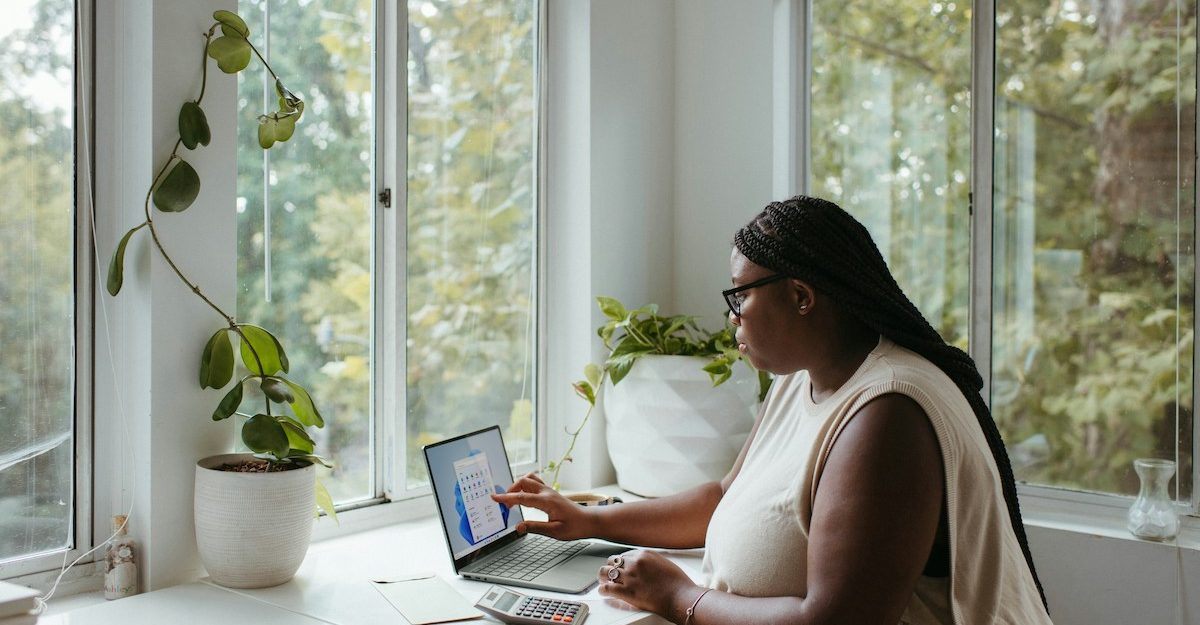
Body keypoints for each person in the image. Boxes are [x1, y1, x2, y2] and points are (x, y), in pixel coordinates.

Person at [493, 195, 1053, 625]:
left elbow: (834, 622)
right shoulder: (804, 377)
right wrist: (590, 519)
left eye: (741, 295)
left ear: (802, 297)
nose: (732, 315)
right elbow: (722, 497)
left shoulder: (887, 415)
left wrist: (678, 596)